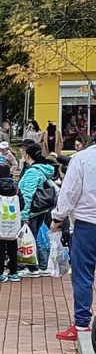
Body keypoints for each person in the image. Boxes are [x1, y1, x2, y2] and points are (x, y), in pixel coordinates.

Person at [53, 141, 96, 340]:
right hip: (87, 222)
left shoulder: (82, 158)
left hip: (87, 224)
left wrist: (58, 218)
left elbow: (69, 191)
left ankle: (81, 324)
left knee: (83, 274)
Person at [19, 143, 57, 276]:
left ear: (28, 154)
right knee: (34, 237)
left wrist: (24, 215)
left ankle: (35, 267)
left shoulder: (32, 172)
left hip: (32, 210)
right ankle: (41, 265)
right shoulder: (43, 169)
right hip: (42, 208)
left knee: (31, 238)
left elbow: (27, 194)